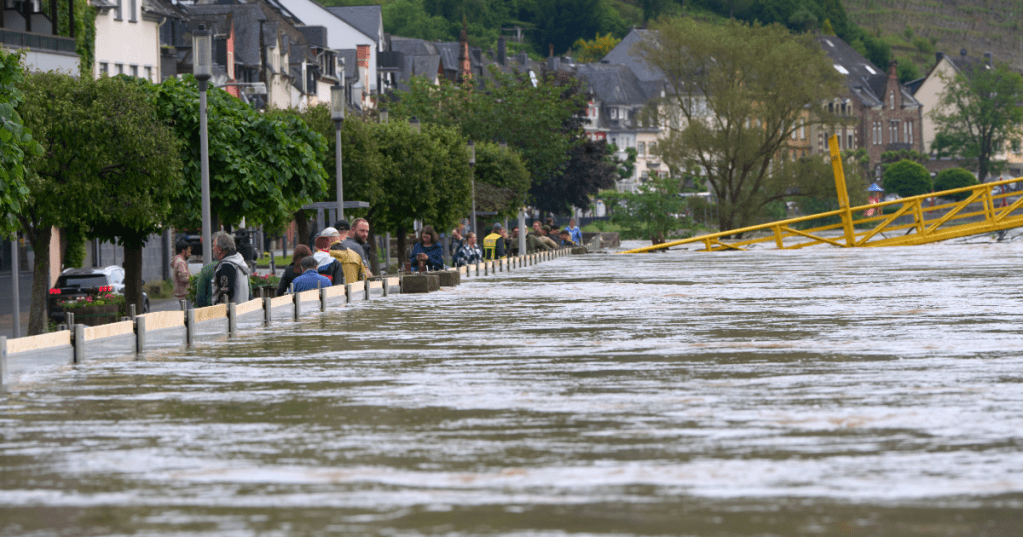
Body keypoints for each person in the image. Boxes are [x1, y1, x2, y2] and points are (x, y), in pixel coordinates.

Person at [212, 231, 250, 304]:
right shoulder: (238, 261)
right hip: (240, 309)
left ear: (219, 249)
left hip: (230, 312)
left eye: (214, 246)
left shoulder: (227, 265)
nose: (212, 248)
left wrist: (216, 304)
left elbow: (225, 293)